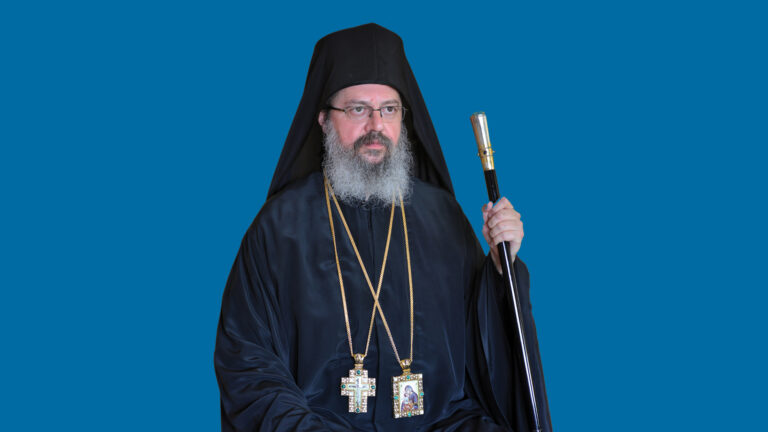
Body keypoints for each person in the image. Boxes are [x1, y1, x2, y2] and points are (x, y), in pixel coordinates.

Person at [214, 23, 552, 431]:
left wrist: (501, 270)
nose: (376, 126)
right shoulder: (279, 228)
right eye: (358, 109)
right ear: (323, 120)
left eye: (389, 109)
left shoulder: (443, 215)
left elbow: (487, 353)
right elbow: (248, 362)